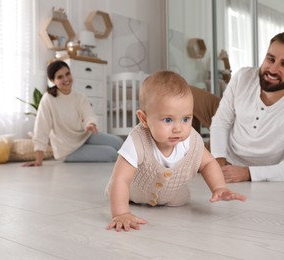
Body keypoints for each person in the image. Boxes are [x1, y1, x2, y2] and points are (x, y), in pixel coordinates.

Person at [105, 71, 246, 232]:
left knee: (181, 198)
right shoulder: (138, 140)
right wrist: (121, 213)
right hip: (134, 192)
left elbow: (208, 163)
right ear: (144, 119)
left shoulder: (191, 140)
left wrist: (219, 187)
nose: (178, 128)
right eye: (168, 120)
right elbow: (121, 179)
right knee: (116, 188)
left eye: (186, 119)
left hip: (174, 197)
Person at [191, 31, 284, 182]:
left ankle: (188, 150)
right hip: (225, 144)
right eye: (270, 59)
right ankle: (184, 143)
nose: (273, 69)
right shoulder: (243, 77)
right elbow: (221, 121)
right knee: (177, 91)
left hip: (246, 164)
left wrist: (248, 173)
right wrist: (218, 161)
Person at [23, 60, 123, 166]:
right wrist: (39, 160)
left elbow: (89, 115)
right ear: (52, 80)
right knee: (111, 153)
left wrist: (90, 123)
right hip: (67, 149)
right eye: (60, 77)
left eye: (67, 74)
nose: (66, 79)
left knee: (119, 142)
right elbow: (41, 129)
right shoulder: (48, 99)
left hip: (84, 136)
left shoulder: (80, 96)